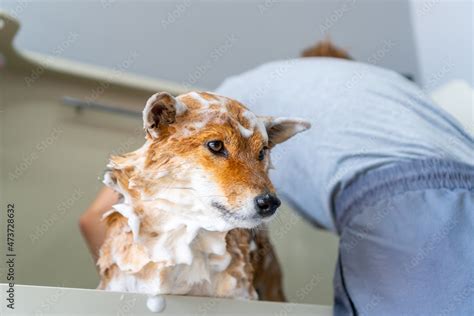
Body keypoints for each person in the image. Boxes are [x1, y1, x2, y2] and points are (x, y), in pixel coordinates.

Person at [80, 43, 474, 315]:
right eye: (218, 148)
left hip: (405, 202)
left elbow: (94, 216)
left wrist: (134, 292)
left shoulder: (235, 103)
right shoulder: (395, 88)